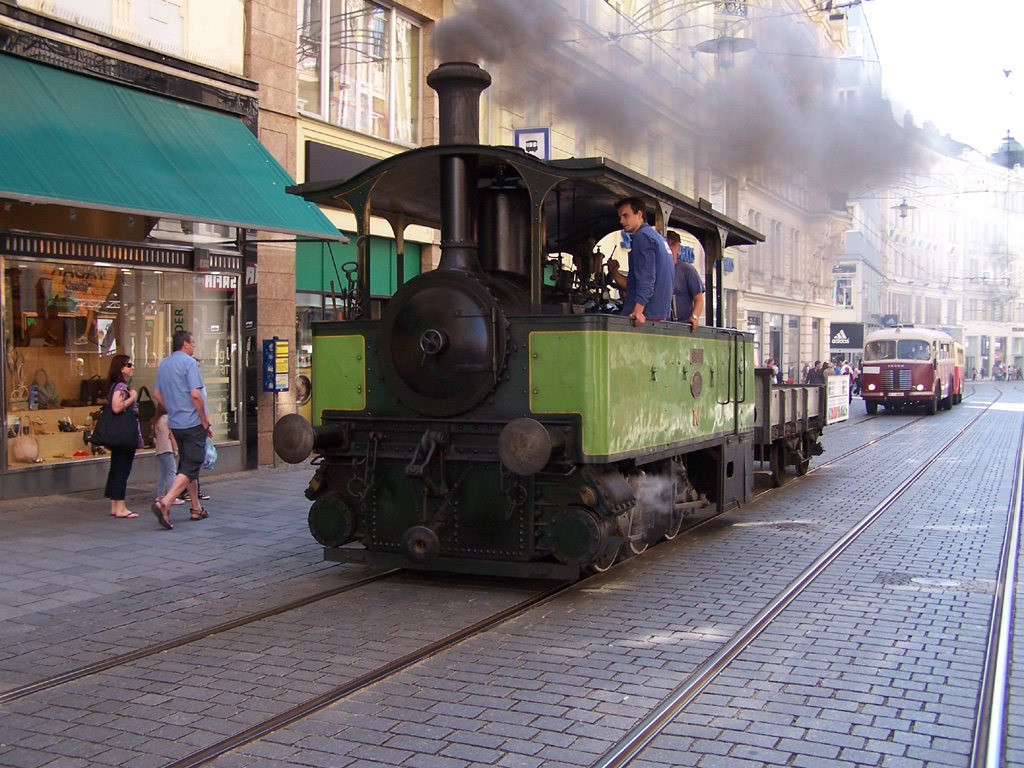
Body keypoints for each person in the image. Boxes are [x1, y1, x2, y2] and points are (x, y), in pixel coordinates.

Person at [151, 330, 213, 529]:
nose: (194, 346)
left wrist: (171, 408)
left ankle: (196, 507)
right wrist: (204, 420)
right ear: (185, 344)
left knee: (187, 465)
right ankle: (165, 502)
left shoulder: (164, 364)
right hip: (193, 422)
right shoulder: (189, 363)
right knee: (192, 463)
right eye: (193, 343)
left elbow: (157, 393)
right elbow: (196, 394)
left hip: (176, 423)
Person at [606, 197, 674, 326]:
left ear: (639, 214)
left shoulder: (641, 237)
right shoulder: (658, 238)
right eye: (620, 217)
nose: (621, 221)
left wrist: (638, 311)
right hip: (660, 314)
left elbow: (646, 278)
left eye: (626, 216)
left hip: (645, 316)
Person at [104, 354, 140, 519]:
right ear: (121, 368)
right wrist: (132, 397)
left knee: (116, 467)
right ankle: (120, 507)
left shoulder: (114, 386)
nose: (132, 367)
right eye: (129, 365)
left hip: (117, 433)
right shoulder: (120, 387)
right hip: (124, 434)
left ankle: (114, 505)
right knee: (122, 469)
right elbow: (117, 407)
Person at [665, 230, 705, 332]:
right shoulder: (656, 270)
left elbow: (699, 299)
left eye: (673, 244)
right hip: (660, 324)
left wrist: (694, 317)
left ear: (679, 248)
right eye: (667, 243)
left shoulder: (687, 269)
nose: (670, 247)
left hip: (682, 327)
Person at [153, 403, 184, 510]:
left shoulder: (157, 420)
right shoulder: (168, 419)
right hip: (167, 448)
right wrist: (175, 450)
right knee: (172, 472)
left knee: (163, 472)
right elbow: (172, 436)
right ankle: (171, 496)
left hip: (159, 449)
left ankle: (160, 494)